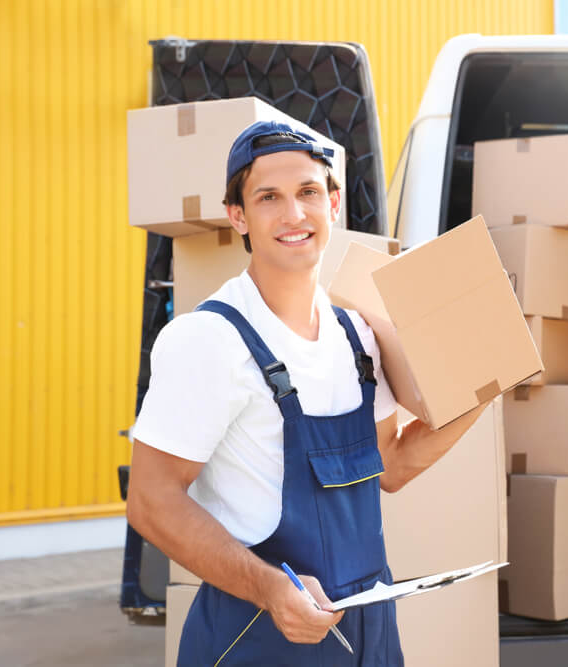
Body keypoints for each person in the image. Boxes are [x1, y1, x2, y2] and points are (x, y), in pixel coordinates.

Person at [126, 121, 487, 665]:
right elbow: (152, 503)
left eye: (308, 192)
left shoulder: (357, 335)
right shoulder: (209, 340)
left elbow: (390, 465)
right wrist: (271, 590)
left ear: (334, 203)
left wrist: (484, 387)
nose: (294, 215)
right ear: (238, 216)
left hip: (369, 627)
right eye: (268, 197)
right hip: (259, 632)